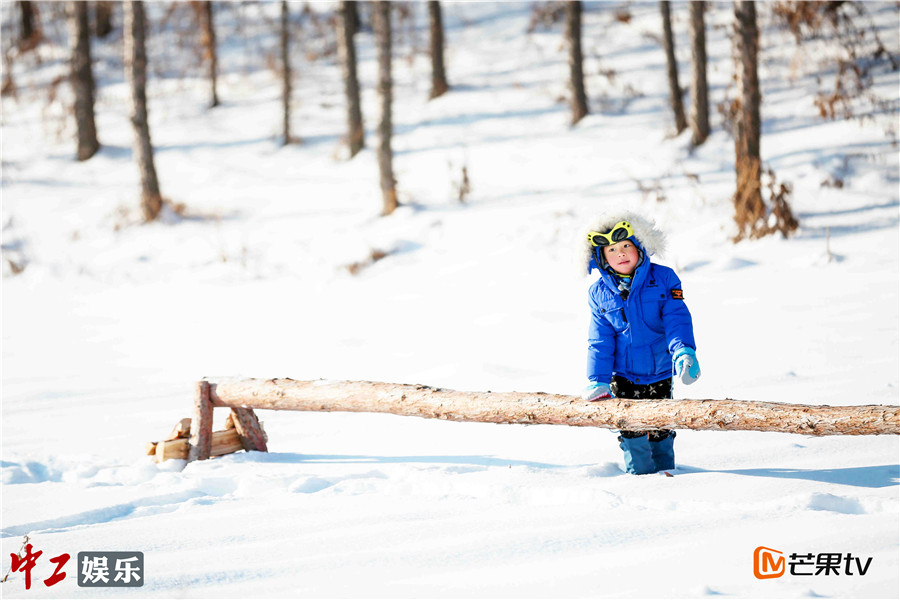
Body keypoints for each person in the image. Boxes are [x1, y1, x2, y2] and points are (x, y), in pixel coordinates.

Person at [578, 212, 700, 474]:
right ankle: (640, 480)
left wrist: (683, 350)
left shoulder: (664, 279)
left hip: (660, 371)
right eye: (612, 250)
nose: (620, 253)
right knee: (631, 431)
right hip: (623, 376)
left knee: (661, 429)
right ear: (601, 257)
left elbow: (676, 318)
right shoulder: (599, 293)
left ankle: (669, 476)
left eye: (626, 245)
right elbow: (600, 341)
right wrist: (597, 380)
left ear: (640, 246)